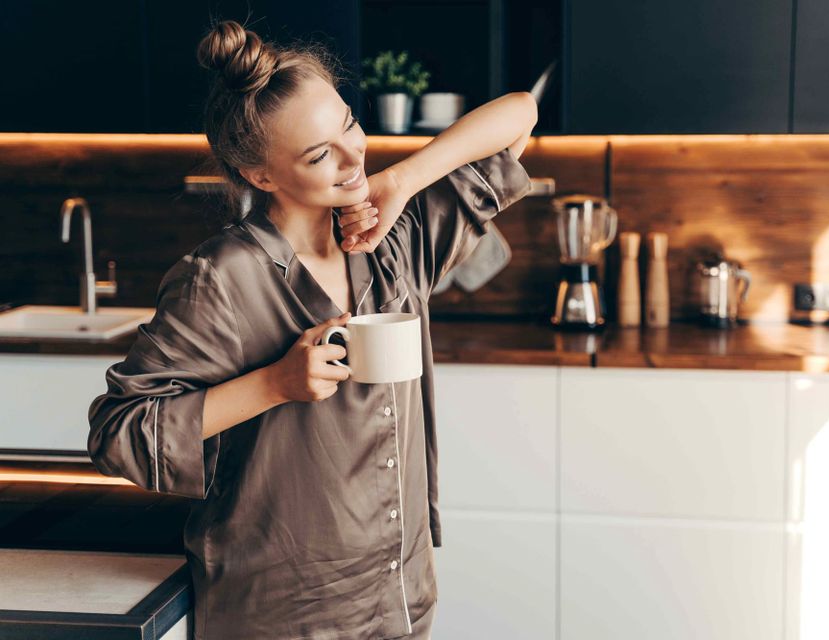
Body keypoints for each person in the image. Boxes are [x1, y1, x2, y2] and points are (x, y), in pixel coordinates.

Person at [86, 18, 536, 640]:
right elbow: (119, 433)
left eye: (350, 123)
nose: (354, 157)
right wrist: (274, 384)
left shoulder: (395, 240)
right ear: (260, 175)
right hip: (284, 613)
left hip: (400, 596)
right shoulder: (222, 278)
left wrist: (402, 179)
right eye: (320, 154)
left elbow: (519, 115)